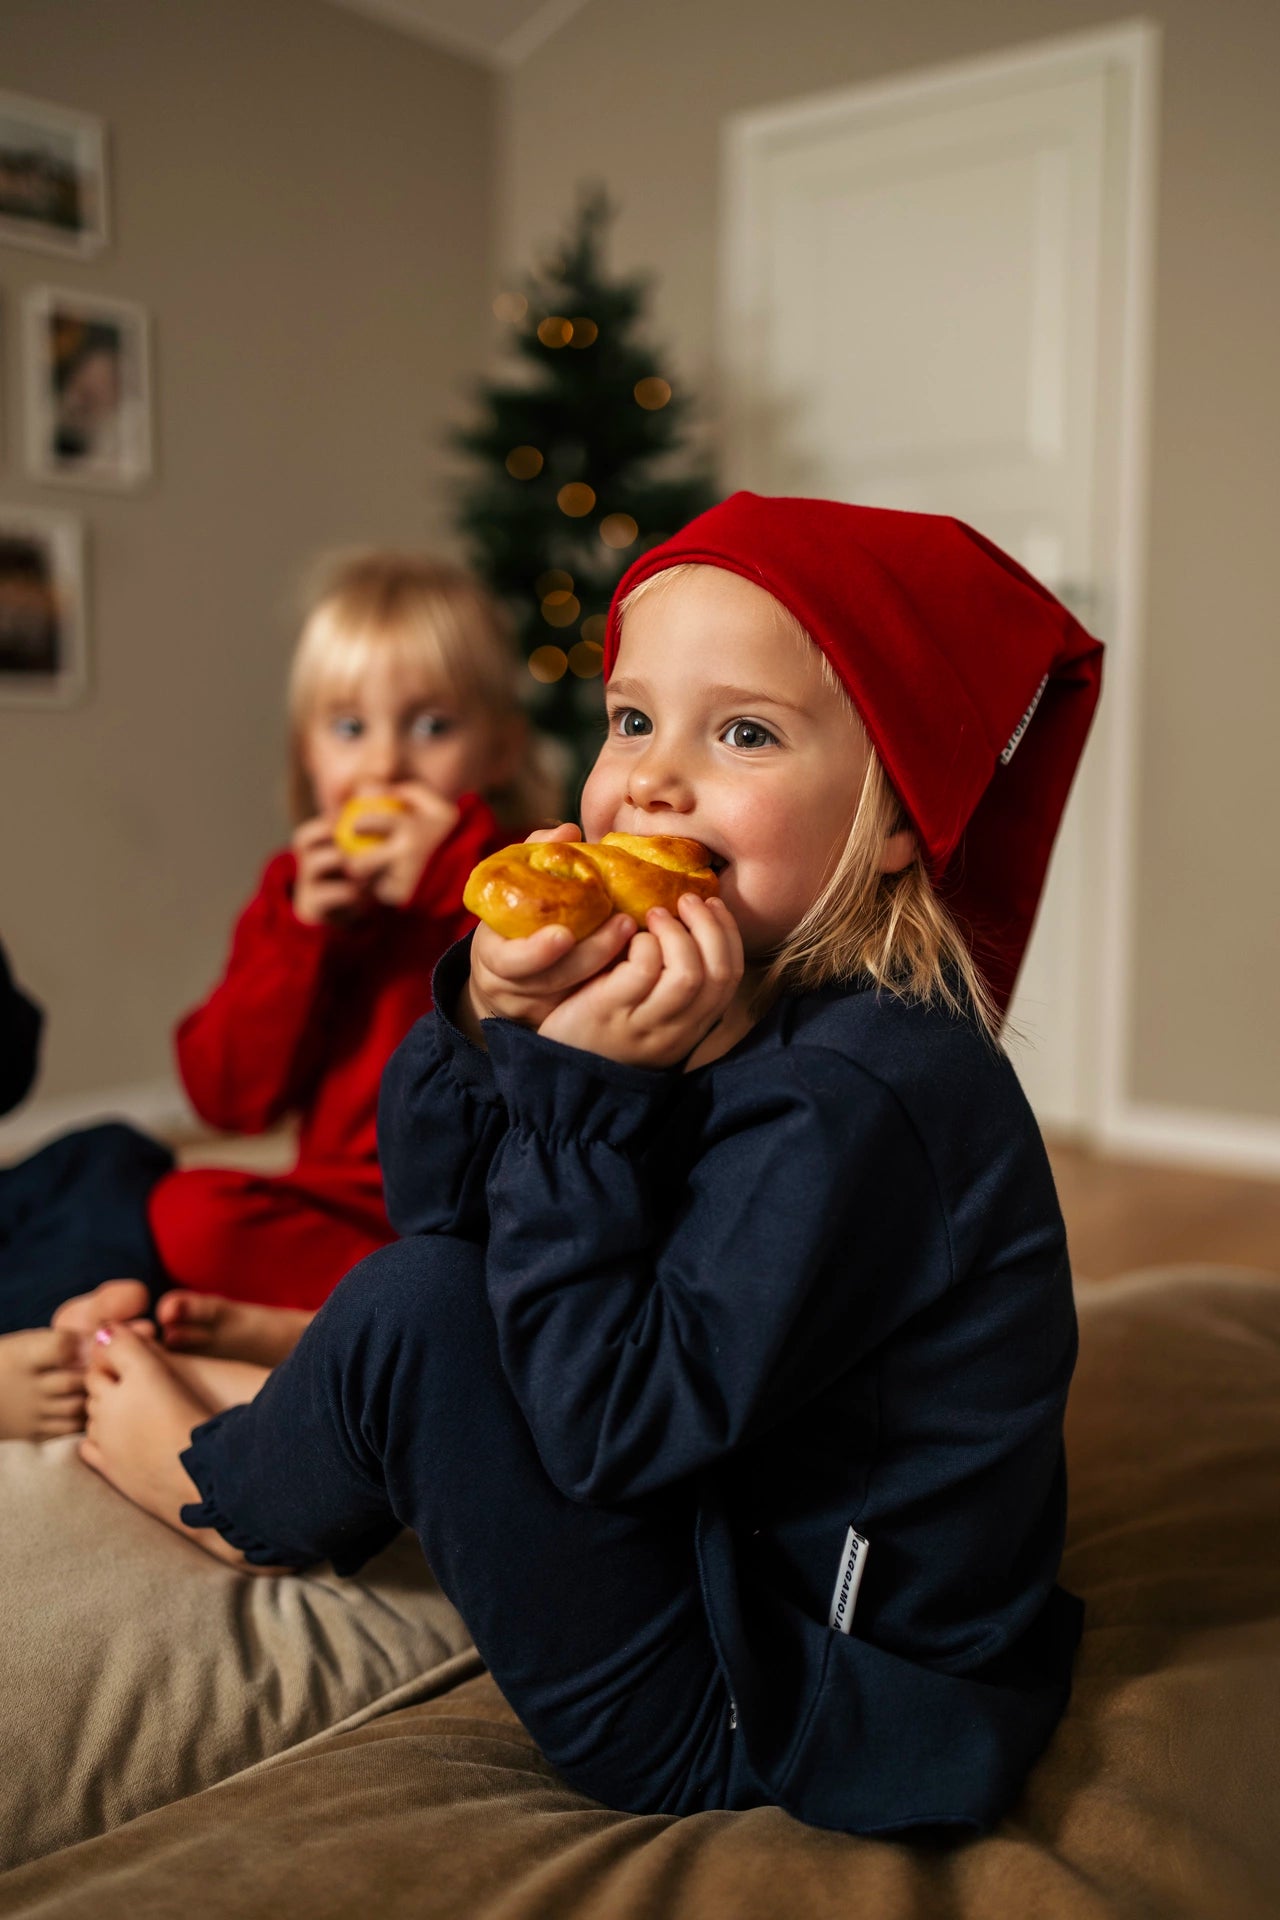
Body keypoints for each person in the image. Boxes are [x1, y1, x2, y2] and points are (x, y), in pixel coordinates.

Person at [79, 493, 1103, 1837]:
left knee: (407, 1315)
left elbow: (610, 1431)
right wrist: (492, 1026)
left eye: (742, 731)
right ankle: (322, 1424)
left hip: (787, 1698)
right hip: (716, 1515)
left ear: (899, 811)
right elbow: (448, 1215)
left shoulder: (856, 1096)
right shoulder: (740, 992)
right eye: (632, 720)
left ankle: (228, 1491)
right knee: (428, 1290)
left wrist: (585, 1099)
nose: (654, 779)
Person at [0, 552, 555, 1434]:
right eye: (348, 728)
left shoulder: (520, 879)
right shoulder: (298, 892)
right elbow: (223, 1094)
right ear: (305, 750)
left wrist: (459, 879)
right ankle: (296, 1328)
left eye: (432, 725)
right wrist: (300, 936)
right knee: (184, 1203)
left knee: (447, 1290)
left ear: (501, 745)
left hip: (471, 1223)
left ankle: (308, 1335)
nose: (384, 764)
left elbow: (533, 1059)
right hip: (328, 1204)